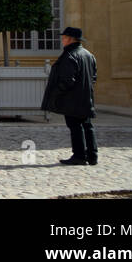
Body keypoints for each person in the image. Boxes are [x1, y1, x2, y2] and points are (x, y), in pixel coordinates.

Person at [41, 26, 99, 166]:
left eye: (64, 37)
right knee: (87, 125)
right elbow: (94, 77)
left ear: (70, 39)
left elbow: (67, 80)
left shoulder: (70, 55)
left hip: (72, 98)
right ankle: (92, 155)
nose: (62, 40)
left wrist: (57, 93)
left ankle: (79, 155)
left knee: (75, 126)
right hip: (86, 96)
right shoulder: (89, 55)